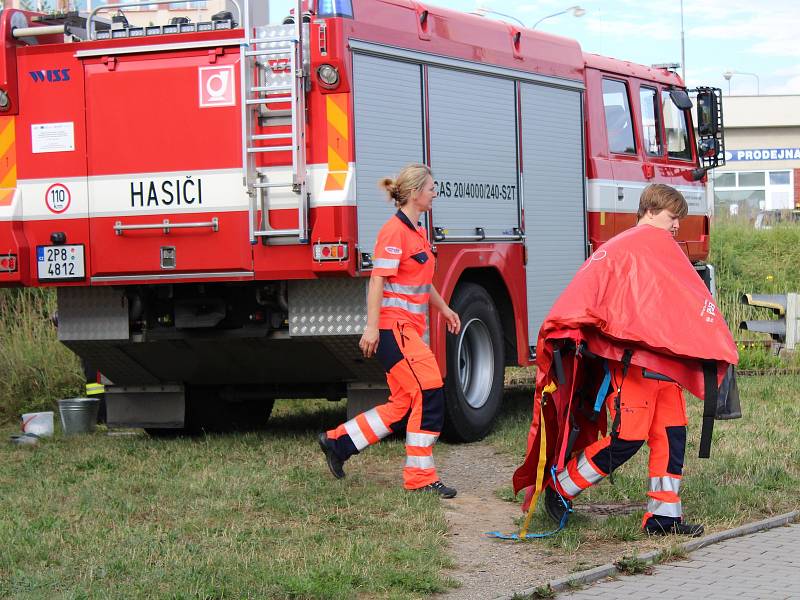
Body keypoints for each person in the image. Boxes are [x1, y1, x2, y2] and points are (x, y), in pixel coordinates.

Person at [544, 184, 705, 537]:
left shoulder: (667, 253)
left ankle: (663, 518)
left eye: (679, 218)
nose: (677, 225)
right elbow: (593, 293)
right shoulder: (623, 249)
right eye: (672, 216)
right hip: (634, 366)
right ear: (651, 210)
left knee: (672, 436)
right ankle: (562, 487)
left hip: (666, 367)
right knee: (626, 440)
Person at [317, 163, 461, 498]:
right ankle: (420, 477)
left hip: (407, 331)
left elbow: (422, 284)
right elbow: (377, 280)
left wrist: (446, 309)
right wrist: (371, 328)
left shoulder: (418, 232)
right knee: (429, 393)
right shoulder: (393, 232)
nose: (435, 193)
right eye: (431, 188)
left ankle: (338, 443)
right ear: (415, 193)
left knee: (402, 404)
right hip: (395, 332)